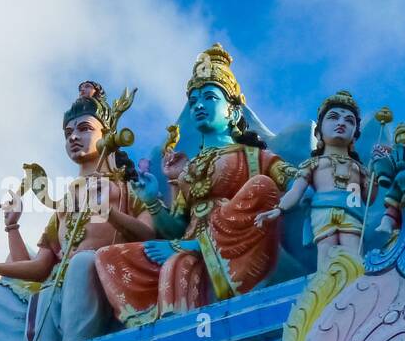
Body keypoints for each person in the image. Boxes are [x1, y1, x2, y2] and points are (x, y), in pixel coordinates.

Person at [0, 82, 151, 341]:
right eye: (68, 132)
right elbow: (40, 268)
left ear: (107, 135)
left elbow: (151, 232)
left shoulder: (129, 190)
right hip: (53, 290)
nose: (73, 137)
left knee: (82, 263)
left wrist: (110, 214)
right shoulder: (65, 203)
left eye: (84, 129)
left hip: (99, 278)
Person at [95, 45, 286, 324]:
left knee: (261, 187)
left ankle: (198, 260)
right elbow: (175, 228)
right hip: (184, 244)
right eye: (194, 99)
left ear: (233, 113)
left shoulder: (254, 156)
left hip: (235, 249)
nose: (198, 105)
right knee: (108, 257)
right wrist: (151, 200)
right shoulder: (188, 169)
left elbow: (292, 181)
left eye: (209, 97)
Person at [258, 91, 370, 265]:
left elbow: (364, 196)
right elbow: (296, 191)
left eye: (349, 120)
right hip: (323, 212)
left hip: (352, 213)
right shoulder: (313, 164)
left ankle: (357, 288)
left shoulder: (358, 168)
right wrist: (279, 209)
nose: (341, 123)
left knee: (354, 255)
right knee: (326, 255)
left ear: (354, 134)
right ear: (318, 132)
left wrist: (372, 179)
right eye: (334, 117)